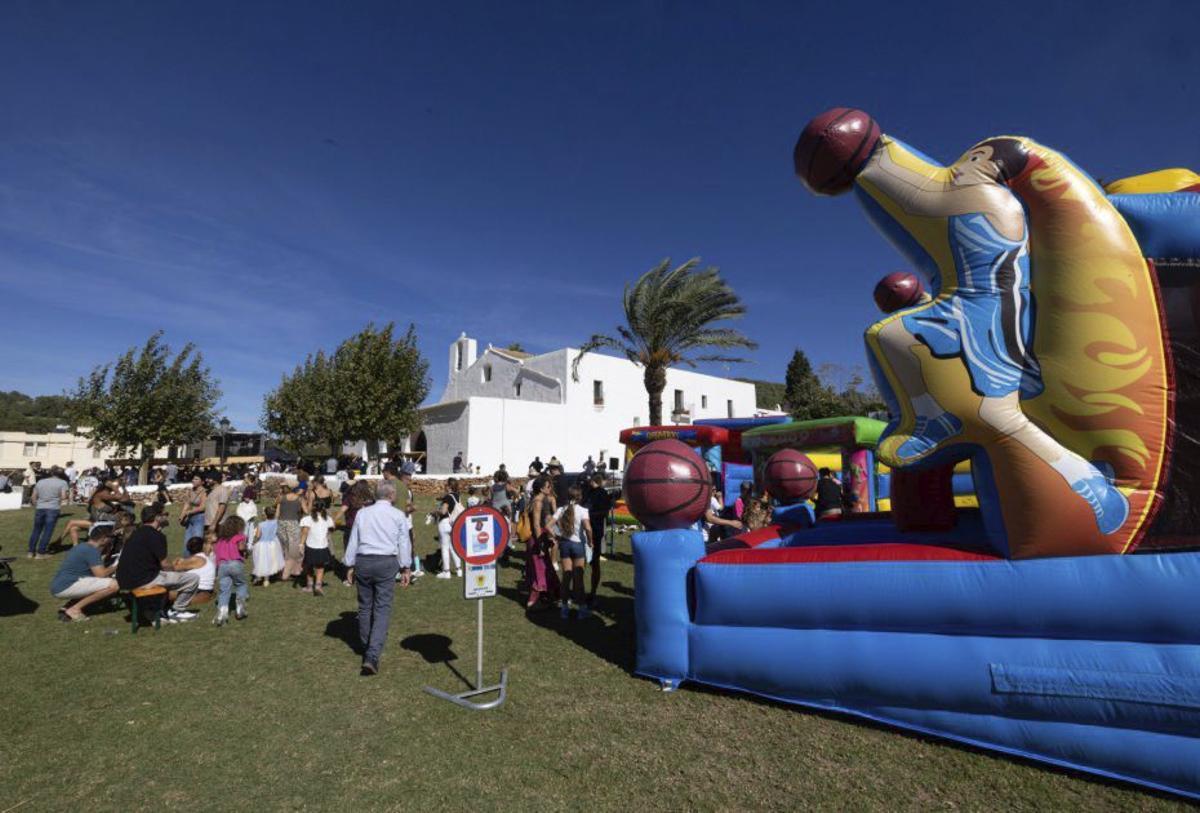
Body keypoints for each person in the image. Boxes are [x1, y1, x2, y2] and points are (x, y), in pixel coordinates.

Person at [343, 481, 412, 675]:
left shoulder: (363, 513)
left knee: (365, 606)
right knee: (382, 608)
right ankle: (372, 653)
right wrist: (406, 566)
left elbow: (353, 539)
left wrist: (350, 563)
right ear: (391, 495)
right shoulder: (398, 515)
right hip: (386, 561)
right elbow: (403, 543)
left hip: (364, 561)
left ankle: (367, 646)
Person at [115, 504, 200, 622]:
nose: (167, 516)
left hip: (124, 580)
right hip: (143, 580)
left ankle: (156, 610)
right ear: (157, 518)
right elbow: (165, 565)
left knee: (164, 578)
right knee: (192, 579)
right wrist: (178, 569)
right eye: (164, 515)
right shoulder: (157, 536)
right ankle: (177, 610)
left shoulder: (135, 533)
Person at [50, 525, 119, 621]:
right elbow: (101, 574)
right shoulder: (91, 551)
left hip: (60, 584)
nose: (111, 540)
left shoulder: (82, 546)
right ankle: (75, 609)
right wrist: (116, 566)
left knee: (96, 583)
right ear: (103, 539)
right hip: (67, 585)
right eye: (110, 538)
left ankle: (68, 606)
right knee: (114, 585)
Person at [552, 484, 593, 619]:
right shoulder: (583, 510)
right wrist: (590, 541)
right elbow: (588, 528)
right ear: (580, 497)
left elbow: (547, 525)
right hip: (577, 545)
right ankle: (581, 609)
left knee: (566, 578)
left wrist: (555, 535)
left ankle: (564, 608)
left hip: (564, 544)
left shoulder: (561, 509)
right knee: (578, 579)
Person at [525, 476, 560, 610]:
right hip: (536, 540)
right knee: (540, 569)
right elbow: (536, 525)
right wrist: (540, 544)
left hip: (538, 538)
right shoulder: (538, 502)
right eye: (548, 486)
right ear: (541, 489)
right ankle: (532, 602)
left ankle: (551, 596)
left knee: (545, 567)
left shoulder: (536, 500)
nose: (550, 488)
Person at [212, 515, 249, 625]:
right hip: (235, 563)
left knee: (224, 590)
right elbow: (241, 548)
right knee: (241, 584)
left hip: (222, 566)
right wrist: (246, 549)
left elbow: (217, 554)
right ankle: (240, 607)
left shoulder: (220, 540)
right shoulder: (239, 536)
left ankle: (222, 613)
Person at [584, 472, 613, 605]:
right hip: (588, 530)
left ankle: (592, 592)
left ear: (594, 480)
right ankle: (584, 591)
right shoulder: (587, 491)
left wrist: (589, 514)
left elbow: (604, 512)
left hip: (594, 530)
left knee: (594, 563)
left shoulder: (601, 494)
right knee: (585, 562)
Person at [28, 466, 68, 558]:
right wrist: (56, 498)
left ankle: (30, 552)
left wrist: (37, 505)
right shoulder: (62, 482)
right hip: (53, 508)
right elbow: (64, 496)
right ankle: (41, 553)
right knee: (48, 531)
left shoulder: (41, 481)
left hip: (40, 507)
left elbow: (33, 496)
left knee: (36, 530)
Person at [299, 502, 336, 596]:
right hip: (323, 546)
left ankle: (309, 586)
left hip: (311, 546)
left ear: (313, 508)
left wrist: (301, 544)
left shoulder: (307, 519)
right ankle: (318, 586)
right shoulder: (328, 519)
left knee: (308, 566)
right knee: (320, 567)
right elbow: (332, 528)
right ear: (323, 509)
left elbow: (304, 532)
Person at [173, 536, 216, 605]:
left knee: (166, 593)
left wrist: (176, 560)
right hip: (205, 590)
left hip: (197, 591)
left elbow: (174, 568)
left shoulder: (196, 559)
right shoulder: (204, 558)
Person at [277, 484, 305, 584]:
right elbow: (306, 510)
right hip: (293, 523)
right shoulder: (300, 499)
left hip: (281, 523)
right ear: (297, 491)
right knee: (294, 548)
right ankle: (293, 571)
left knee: (284, 547)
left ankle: (282, 570)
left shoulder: (282, 497)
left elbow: (278, 510)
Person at [435, 478, 464, 578]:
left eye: (446, 485)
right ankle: (459, 569)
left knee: (445, 547)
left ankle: (446, 571)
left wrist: (435, 512)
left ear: (449, 486)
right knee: (453, 547)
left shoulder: (447, 497)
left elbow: (443, 511)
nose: (444, 486)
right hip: (454, 523)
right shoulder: (457, 496)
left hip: (445, 523)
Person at [251, 505, 284, 586]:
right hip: (273, 544)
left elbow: (258, 536)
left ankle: (260, 577)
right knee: (270, 560)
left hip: (262, 544)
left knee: (262, 561)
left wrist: (254, 542)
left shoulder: (261, 524)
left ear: (265, 514)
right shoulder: (276, 522)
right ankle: (267, 580)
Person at [178, 475, 207, 551]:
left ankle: (198, 559)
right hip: (190, 517)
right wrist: (182, 515)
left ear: (202, 482)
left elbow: (203, 507)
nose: (193, 480)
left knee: (197, 540)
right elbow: (187, 504)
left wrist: (189, 512)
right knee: (187, 541)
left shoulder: (204, 492)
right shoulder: (190, 491)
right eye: (193, 479)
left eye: (196, 479)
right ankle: (187, 560)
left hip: (200, 517)